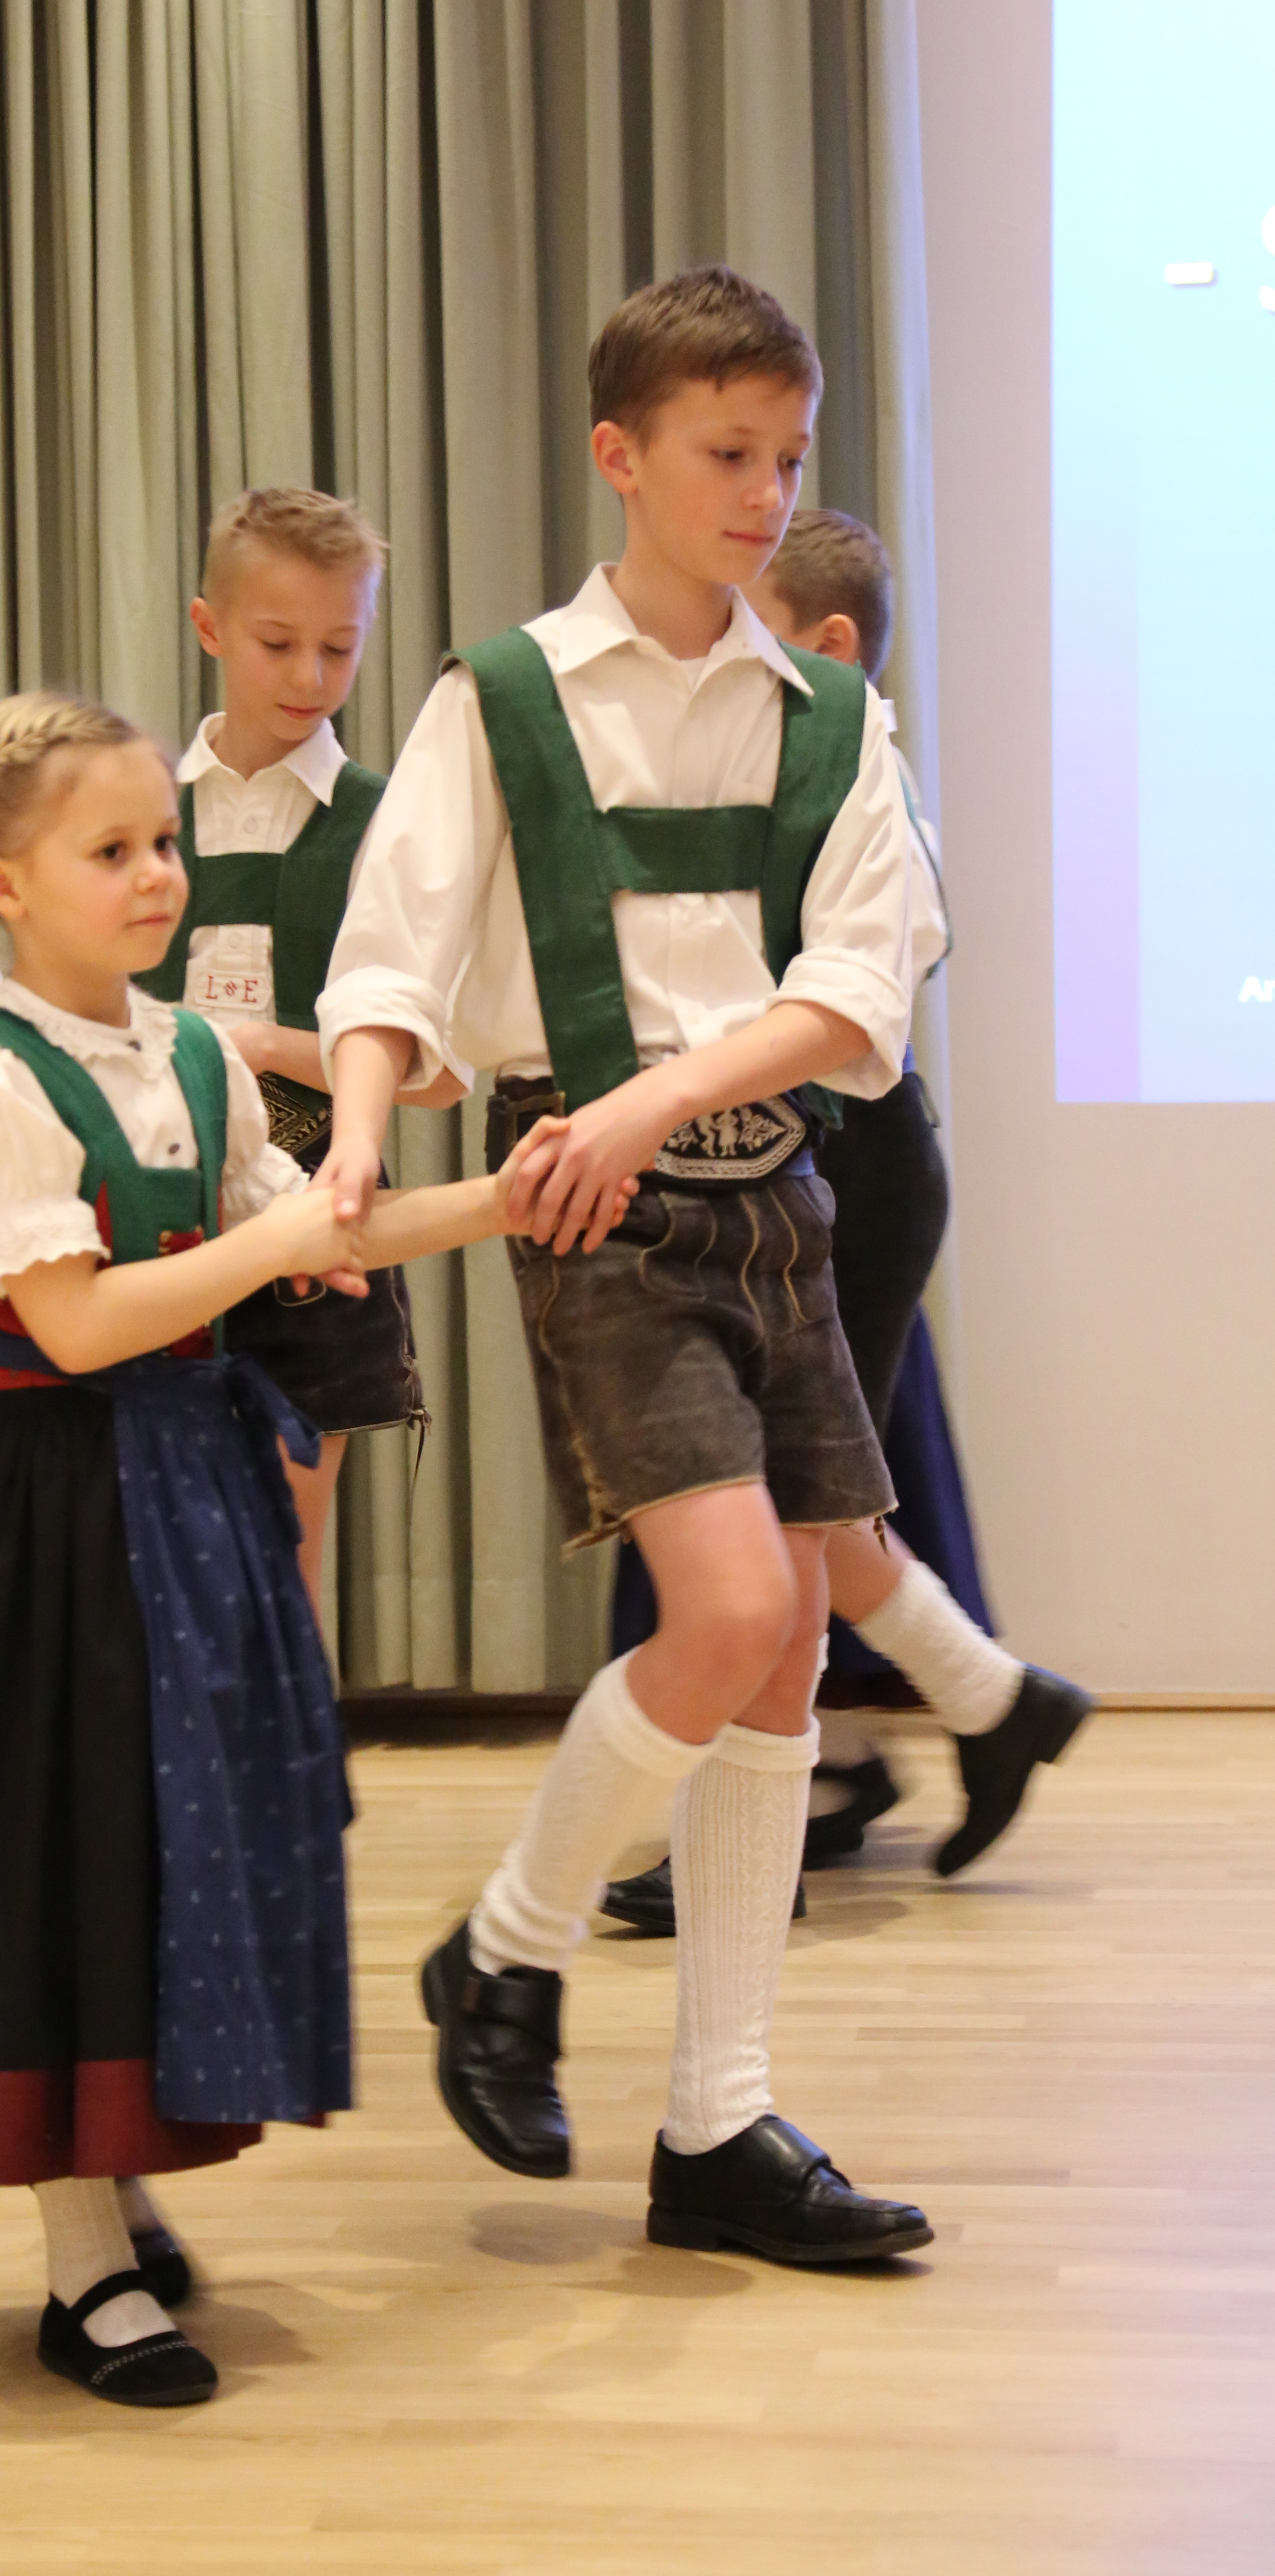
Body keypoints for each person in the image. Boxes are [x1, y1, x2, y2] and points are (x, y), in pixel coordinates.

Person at [0, 691, 596, 2410]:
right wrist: (280, 1249)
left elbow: (318, 1228)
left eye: (160, 841)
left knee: (170, 1843)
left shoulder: (190, 1057)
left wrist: (495, 1199)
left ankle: (117, 2185)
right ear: (3, 886)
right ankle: (81, 2264)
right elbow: (81, 1326)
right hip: (42, 1505)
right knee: (63, 1851)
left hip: (185, 1486)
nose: (155, 874)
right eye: (112, 851)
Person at [317, 266, 954, 2263]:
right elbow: (392, 951)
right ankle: (500, 1949)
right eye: (723, 454)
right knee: (733, 1595)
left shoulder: (829, 716)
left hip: (775, 1200)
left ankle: (716, 2120)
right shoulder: (497, 696)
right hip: (593, 1216)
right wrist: (349, 1124)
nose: (764, 493)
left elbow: (860, 985)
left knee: (776, 1648)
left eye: (785, 456)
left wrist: (663, 1095)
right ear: (620, 457)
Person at [602, 511, 1094, 1931]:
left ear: (820, 649)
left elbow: (853, 994)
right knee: (792, 1499)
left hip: (850, 1169)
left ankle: (786, 1797)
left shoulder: (859, 776)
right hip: (784, 1169)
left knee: (781, 1508)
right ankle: (975, 1707)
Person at [138, 488, 458, 1616]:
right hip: (152, 1212)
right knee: (152, 1519)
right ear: (209, 627)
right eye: (279, 644)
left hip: (319, 1195)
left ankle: (280, 1775)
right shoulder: (140, 811)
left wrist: (266, 1043)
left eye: (340, 647)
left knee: (285, 1518)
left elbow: (445, 1066)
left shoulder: (390, 819)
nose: (311, 678)